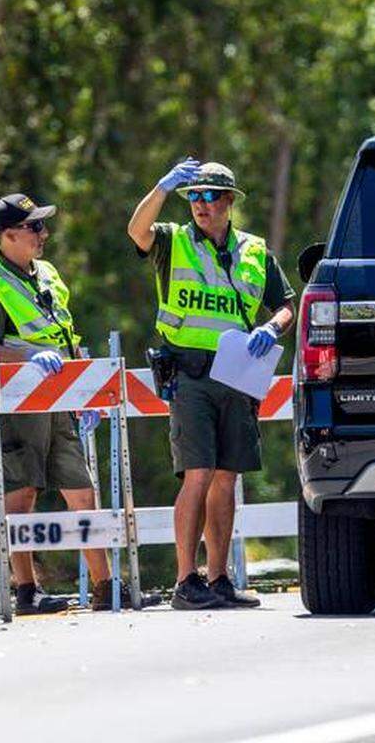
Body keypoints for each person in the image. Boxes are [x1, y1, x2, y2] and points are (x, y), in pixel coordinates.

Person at [0, 193, 160, 613]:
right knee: (22, 494)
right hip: (20, 404)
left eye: (42, 225)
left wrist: (84, 386)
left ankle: (106, 588)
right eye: (34, 227)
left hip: (62, 398)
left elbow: (64, 334)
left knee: (82, 490)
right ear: (8, 236)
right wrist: (28, 358)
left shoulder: (48, 274)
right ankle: (25, 591)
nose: (44, 233)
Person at [127, 161, 295, 609]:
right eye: (194, 197)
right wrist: (162, 187)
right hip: (189, 375)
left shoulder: (255, 251)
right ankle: (186, 581)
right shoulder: (173, 240)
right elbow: (136, 230)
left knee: (227, 477)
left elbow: (286, 305)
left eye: (209, 196)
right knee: (197, 474)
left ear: (228, 201)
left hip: (238, 374)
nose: (200, 205)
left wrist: (272, 329)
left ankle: (219, 578)